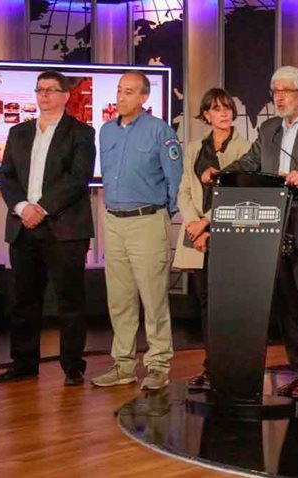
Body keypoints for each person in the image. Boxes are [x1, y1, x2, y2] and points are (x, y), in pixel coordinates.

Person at [202, 65, 298, 399]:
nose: (279, 97)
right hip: (273, 232)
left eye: (286, 91)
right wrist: (221, 174)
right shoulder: (268, 129)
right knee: (288, 309)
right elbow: (251, 163)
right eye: (275, 91)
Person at [0, 70, 96, 386]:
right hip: (24, 226)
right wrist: (24, 208)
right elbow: (6, 176)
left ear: (65, 95)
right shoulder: (19, 132)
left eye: (51, 90)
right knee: (23, 300)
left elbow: (78, 179)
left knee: (69, 301)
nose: (44, 95)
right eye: (40, 89)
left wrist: (43, 208)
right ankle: (23, 364)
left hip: (64, 229)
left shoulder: (81, 133)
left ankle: (72, 367)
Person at [90, 71, 182, 391]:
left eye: (129, 92)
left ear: (144, 98)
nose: (121, 97)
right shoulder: (105, 131)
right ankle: (123, 365)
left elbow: (175, 180)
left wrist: (161, 216)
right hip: (113, 220)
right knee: (120, 298)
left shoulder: (160, 132)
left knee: (153, 297)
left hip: (147, 220)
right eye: (119, 90)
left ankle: (158, 365)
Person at [173, 88, 250, 391]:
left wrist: (207, 223)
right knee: (205, 305)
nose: (224, 113)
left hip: (227, 232)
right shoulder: (194, 147)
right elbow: (184, 190)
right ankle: (211, 367)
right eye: (217, 109)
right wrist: (194, 224)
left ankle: (233, 367)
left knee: (228, 306)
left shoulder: (246, 148)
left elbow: (239, 194)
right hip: (196, 235)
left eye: (228, 108)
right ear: (206, 114)